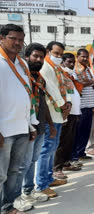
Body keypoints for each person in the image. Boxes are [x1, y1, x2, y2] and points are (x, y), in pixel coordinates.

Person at [13, 43, 57, 212]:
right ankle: (18, 197)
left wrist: (50, 125)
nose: (38, 60)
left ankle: (29, 191)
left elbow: (43, 104)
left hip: (40, 127)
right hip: (26, 127)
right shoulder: (21, 76)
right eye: (35, 56)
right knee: (21, 164)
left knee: (32, 161)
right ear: (27, 57)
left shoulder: (40, 79)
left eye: (41, 57)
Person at [0, 23, 37, 214]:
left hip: (22, 128)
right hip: (3, 131)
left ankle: (8, 206)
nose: (17, 43)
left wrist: (31, 125)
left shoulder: (22, 64)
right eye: (13, 38)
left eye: (21, 40)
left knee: (14, 173)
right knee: (0, 175)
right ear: (1, 38)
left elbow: (27, 96)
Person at [37, 41, 72, 198]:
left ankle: (49, 178)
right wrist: (63, 104)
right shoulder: (46, 67)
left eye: (60, 54)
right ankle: (42, 184)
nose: (58, 57)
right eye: (56, 53)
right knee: (47, 149)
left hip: (58, 113)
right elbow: (51, 88)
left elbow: (62, 87)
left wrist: (66, 103)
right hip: (50, 113)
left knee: (53, 146)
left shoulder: (56, 68)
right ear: (48, 51)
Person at [54, 53, 83, 176]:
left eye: (73, 62)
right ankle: (57, 167)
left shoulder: (70, 75)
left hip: (75, 112)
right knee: (62, 141)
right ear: (62, 62)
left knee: (69, 141)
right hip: (66, 113)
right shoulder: (60, 74)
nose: (71, 64)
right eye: (69, 62)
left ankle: (66, 163)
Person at [71, 49, 94, 161]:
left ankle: (81, 152)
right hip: (81, 106)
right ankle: (76, 154)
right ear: (78, 57)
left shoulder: (87, 69)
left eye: (87, 57)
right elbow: (78, 85)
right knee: (79, 132)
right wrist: (90, 83)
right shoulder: (76, 70)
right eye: (83, 57)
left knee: (86, 130)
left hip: (89, 105)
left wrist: (91, 83)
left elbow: (91, 82)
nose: (85, 59)